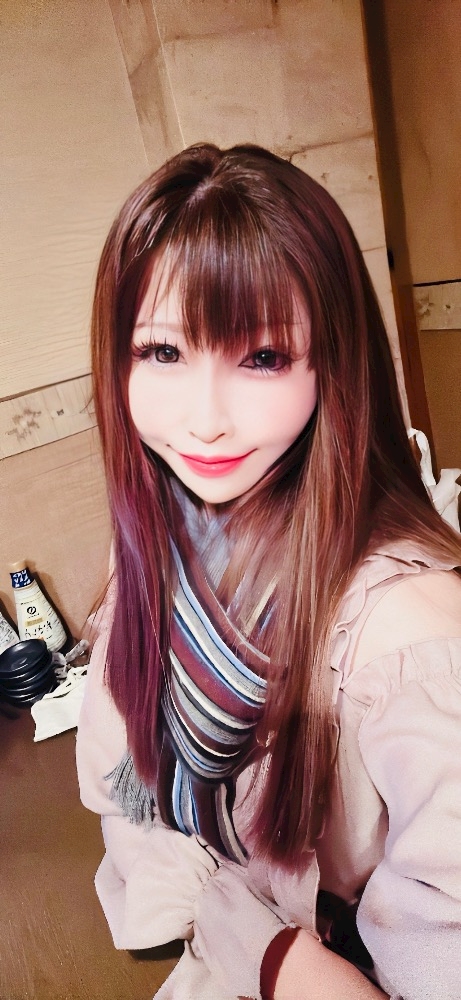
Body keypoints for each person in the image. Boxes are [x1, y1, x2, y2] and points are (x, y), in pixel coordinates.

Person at [76, 143, 461, 1000]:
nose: (204, 421)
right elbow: (119, 771)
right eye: (162, 353)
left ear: (334, 363)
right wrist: (203, 902)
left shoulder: (408, 633)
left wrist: (264, 948)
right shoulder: (162, 534)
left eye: (261, 357)